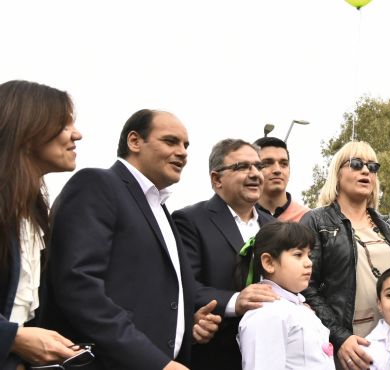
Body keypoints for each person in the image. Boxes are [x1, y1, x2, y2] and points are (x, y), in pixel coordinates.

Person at [43, 109, 220, 370]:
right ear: (134, 141)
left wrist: (184, 323)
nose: (183, 152)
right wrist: (155, 362)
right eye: (171, 141)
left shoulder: (160, 208)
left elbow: (143, 293)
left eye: (186, 145)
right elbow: (79, 286)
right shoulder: (97, 184)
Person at [173, 139, 278, 370]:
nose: (255, 174)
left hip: (270, 354)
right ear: (216, 179)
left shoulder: (274, 226)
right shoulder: (189, 220)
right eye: (242, 167)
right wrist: (234, 302)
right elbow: (185, 287)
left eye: (258, 167)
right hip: (216, 355)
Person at [0, 80, 83, 369]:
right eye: (64, 125)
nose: (77, 134)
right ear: (27, 132)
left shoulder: (33, 215)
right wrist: (13, 338)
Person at [301, 141, 390, 370]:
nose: (365, 171)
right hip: (345, 347)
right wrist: (339, 337)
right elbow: (306, 287)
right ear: (337, 174)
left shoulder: (387, 224)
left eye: (372, 166)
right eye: (356, 164)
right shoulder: (316, 221)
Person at [237, 222, 335, 370]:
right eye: (298, 255)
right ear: (269, 262)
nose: (309, 263)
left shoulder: (297, 306)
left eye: (309, 255)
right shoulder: (266, 314)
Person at [253, 136, 310, 222]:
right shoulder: (239, 217)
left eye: (283, 164)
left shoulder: (308, 218)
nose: (277, 170)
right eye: (267, 163)